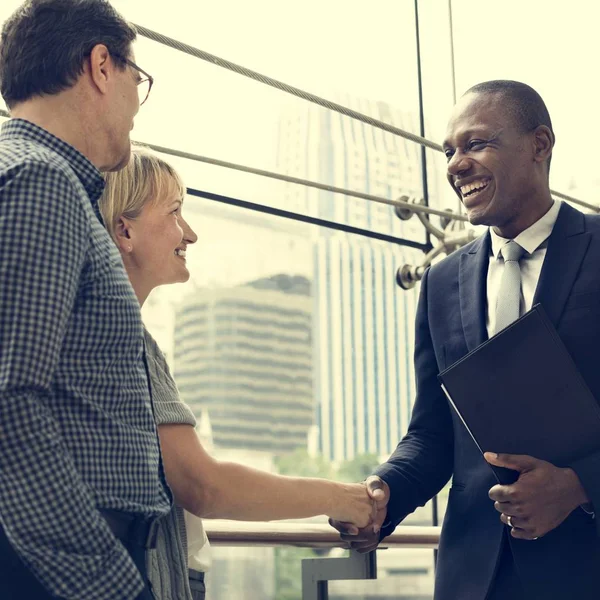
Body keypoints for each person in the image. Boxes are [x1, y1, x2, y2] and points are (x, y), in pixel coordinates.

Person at [330, 80, 600, 600]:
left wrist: (579, 485)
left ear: (539, 145)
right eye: (449, 151)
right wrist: (383, 494)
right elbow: (433, 433)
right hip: (475, 580)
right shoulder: (441, 281)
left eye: (476, 144)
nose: (455, 164)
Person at [99, 146, 376, 600]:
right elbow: (203, 485)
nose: (189, 233)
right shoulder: (124, 337)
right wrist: (343, 499)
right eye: (174, 213)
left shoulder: (105, 330)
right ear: (124, 231)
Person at [0, 2, 166, 599]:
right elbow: (10, 402)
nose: (135, 105)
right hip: (62, 566)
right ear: (101, 66)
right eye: (136, 81)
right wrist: (111, 583)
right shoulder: (40, 181)